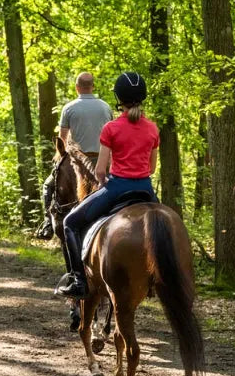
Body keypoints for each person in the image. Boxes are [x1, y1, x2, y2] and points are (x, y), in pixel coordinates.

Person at [55, 71, 159, 299]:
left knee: (70, 223)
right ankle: (158, 279)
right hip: (146, 190)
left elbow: (101, 170)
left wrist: (103, 182)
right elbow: (151, 168)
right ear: (142, 97)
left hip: (117, 188)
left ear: (119, 98)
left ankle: (78, 281)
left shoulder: (111, 128)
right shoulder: (152, 128)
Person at [36, 72, 113, 239]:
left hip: (76, 164)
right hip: (103, 162)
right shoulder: (105, 107)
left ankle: (47, 223)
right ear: (92, 87)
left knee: (48, 186)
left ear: (77, 87)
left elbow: (62, 142)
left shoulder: (69, 108)